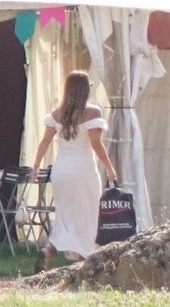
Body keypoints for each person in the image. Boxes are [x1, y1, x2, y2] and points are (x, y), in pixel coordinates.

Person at [28, 70, 119, 272]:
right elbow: (96, 145)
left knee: (65, 215)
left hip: (61, 170)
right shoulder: (93, 113)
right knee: (87, 213)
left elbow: (45, 141)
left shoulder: (56, 114)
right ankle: (84, 258)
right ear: (86, 90)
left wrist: (35, 166)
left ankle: (49, 250)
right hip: (83, 169)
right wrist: (111, 169)